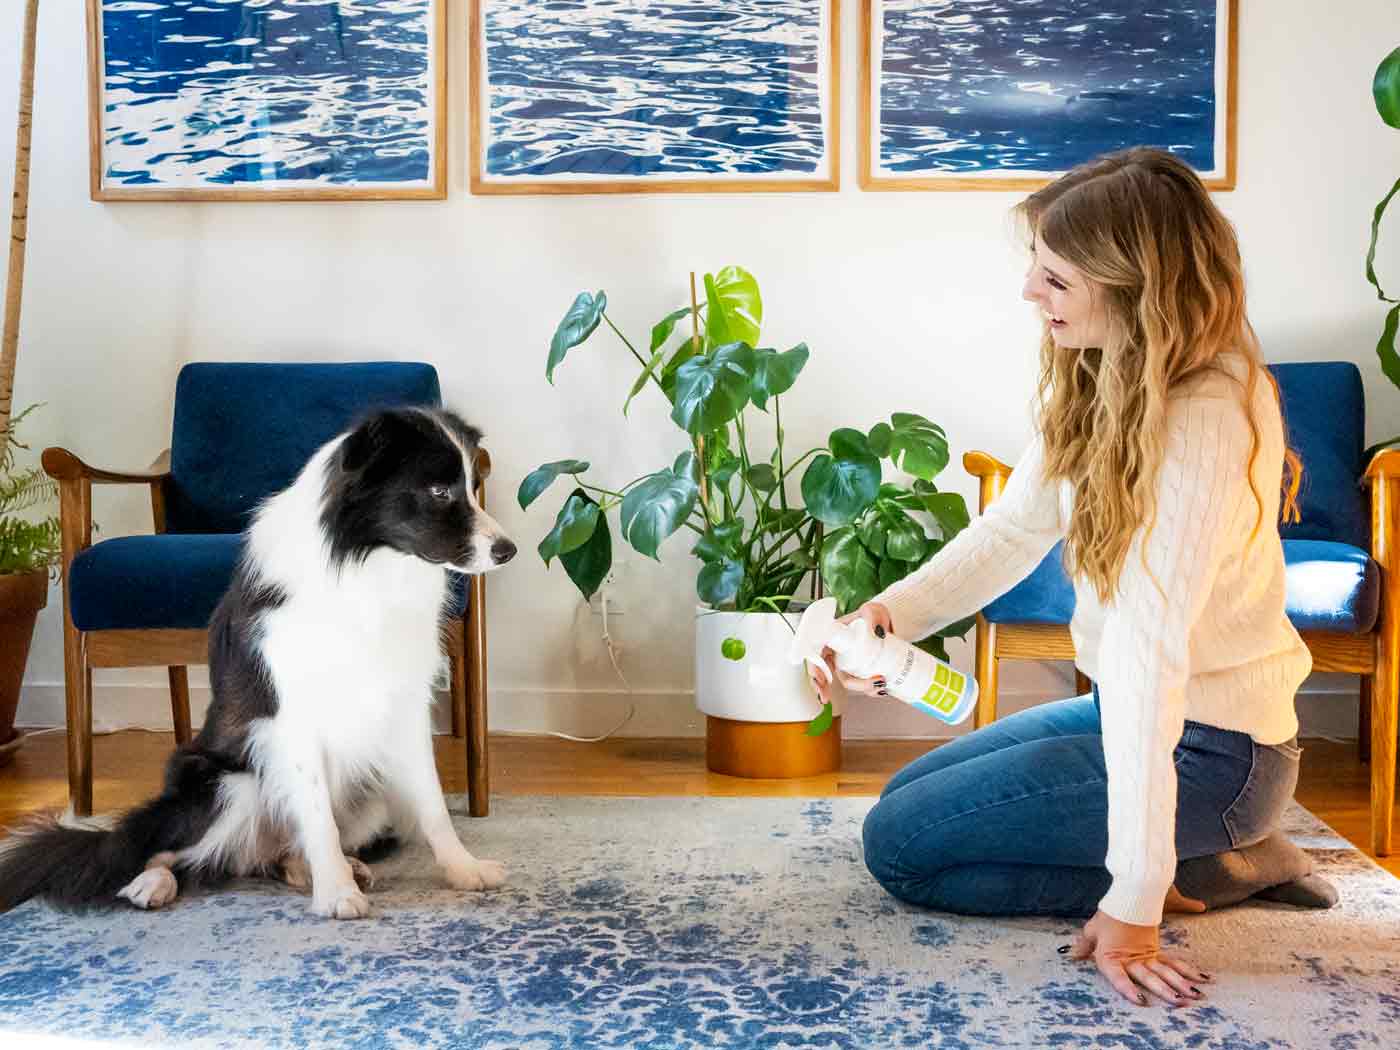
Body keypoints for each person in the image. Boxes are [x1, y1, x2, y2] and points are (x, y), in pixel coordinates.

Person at [813, 148, 1334, 1010]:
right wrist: (885, 616)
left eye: (1055, 278)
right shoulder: (1107, 371)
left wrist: (1132, 905)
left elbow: (1144, 655)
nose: (1030, 294)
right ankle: (1205, 850)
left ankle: (1214, 861)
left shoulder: (1203, 416)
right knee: (908, 794)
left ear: (1134, 286)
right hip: (1135, 717)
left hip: (1216, 750)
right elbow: (1017, 526)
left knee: (902, 848)